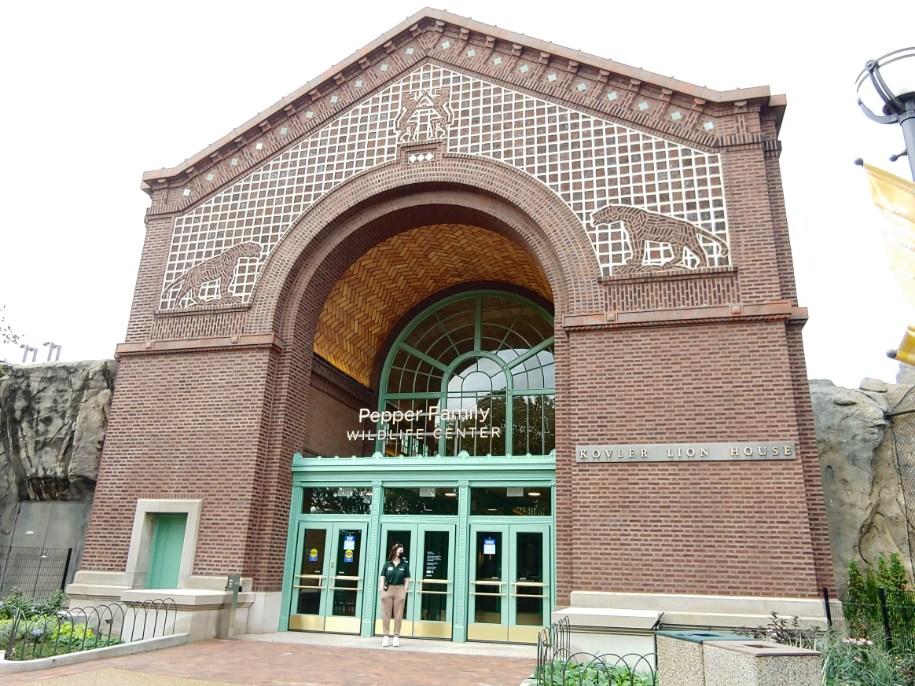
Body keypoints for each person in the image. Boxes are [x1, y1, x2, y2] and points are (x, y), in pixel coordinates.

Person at [379, 542, 410, 647]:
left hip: (400, 589)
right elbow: (382, 577)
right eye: (400, 550)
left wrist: (405, 590)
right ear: (394, 551)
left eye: (402, 551)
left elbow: (407, 579)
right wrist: (381, 590)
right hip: (388, 589)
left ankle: (396, 637)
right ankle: (386, 636)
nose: (401, 552)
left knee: (398, 615)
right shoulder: (387, 564)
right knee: (386, 614)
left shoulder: (404, 564)